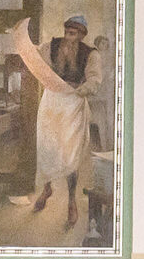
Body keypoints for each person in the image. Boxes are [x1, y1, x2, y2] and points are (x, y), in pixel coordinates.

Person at [18, 15, 103, 229]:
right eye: (67, 33)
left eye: (73, 34)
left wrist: (82, 90)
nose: (68, 38)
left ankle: (71, 202)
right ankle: (47, 189)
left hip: (73, 104)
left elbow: (94, 79)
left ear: (81, 35)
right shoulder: (53, 46)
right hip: (51, 102)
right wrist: (24, 45)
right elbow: (37, 58)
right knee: (48, 148)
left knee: (69, 153)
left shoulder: (90, 54)